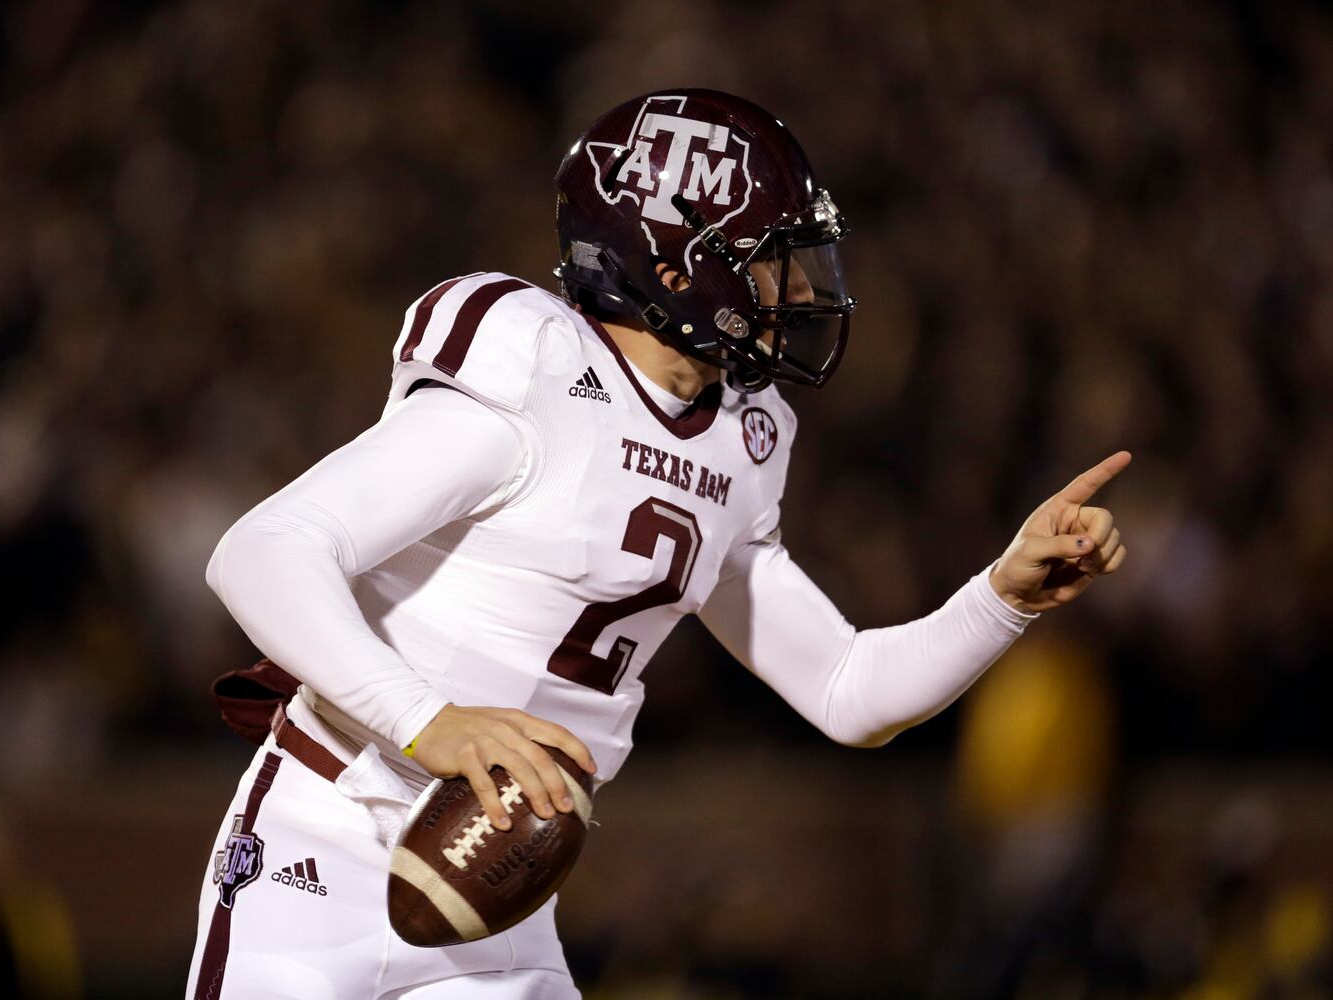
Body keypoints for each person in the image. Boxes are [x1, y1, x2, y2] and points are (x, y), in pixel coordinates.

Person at [185, 89, 1128, 1000]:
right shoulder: (536, 369)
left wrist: (1002, 596)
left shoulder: (742, 437)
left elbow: (849, 693)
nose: (803, 289)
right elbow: (263, 551)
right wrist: (428, 721)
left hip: (499, 882)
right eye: (772, 260)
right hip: (325, 847)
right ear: (678, 271)